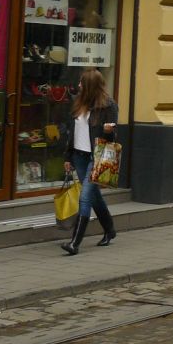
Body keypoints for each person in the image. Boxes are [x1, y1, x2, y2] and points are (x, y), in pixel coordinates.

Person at [61, 67, 118, 255]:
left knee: (85, 197)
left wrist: (109, 131)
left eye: (81, 82)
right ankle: (109, 230)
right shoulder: (79, 103)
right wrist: (68, 157)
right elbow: (72, 133)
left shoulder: (108, 105)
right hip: (79, 156)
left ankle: (74, 243)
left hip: (97, 156)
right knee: (94, 197)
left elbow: (111, 139)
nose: (78, 85)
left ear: (90, 86)